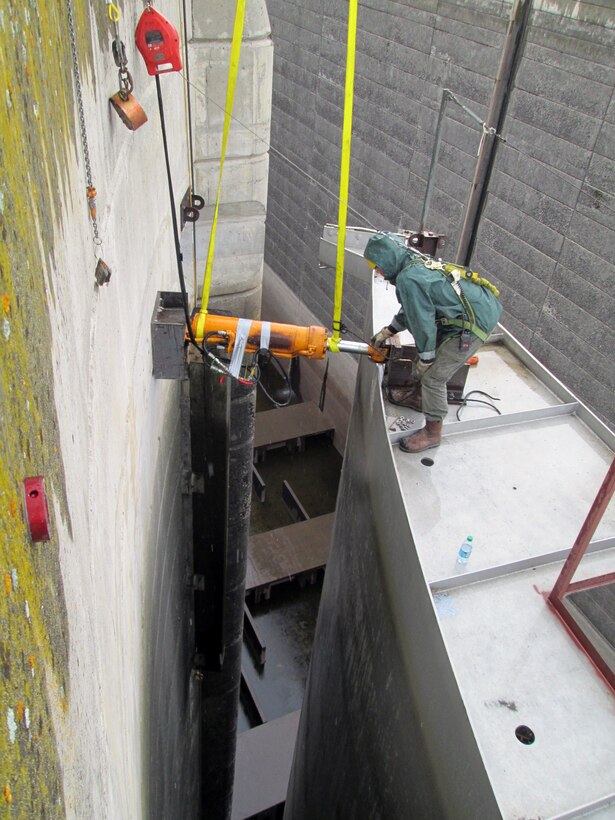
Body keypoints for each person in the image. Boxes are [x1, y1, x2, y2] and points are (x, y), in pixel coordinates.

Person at [364, 232, 502, 453]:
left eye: (376, 265)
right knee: (423, 357)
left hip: (473, 324)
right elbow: (414, 306)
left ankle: (432, 432)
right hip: (467, 312)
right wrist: (389, 330)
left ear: (388, 260)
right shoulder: (411, 264)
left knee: (433, 376)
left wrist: (427, 359)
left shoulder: (408, 278)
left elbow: (422, 322)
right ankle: (420, 398)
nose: (376, 271)